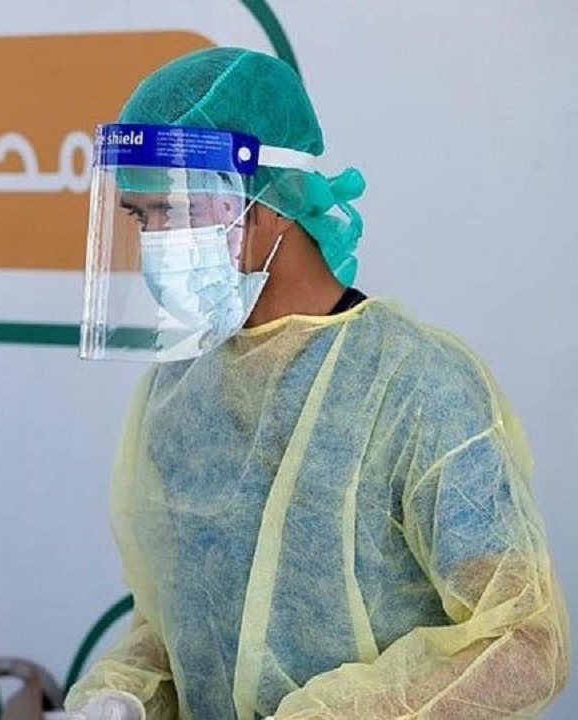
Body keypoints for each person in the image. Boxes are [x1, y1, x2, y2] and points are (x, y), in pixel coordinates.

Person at [66, 47, 569, 719]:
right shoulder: (179, 393)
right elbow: (185, 623)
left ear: (271, 200)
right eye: (141, 217)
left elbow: (525, 642)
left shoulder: (415, 386)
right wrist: (126, 693)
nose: (156, 240)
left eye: (177, 211)